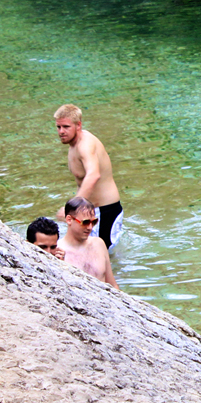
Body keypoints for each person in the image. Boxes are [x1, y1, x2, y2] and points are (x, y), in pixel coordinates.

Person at [54, 104, 124, 251]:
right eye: (58, 127)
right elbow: (82, 183)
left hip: (105, 211)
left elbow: (93, 175)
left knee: (104, 256)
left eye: (66, 127)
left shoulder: (85, 144)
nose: (61, 132)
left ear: (78, 125)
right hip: (89, 212)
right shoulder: (73, 145)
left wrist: (72, 209)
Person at [58, 197, 119, 289]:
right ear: (69, 220)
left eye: (93, 222)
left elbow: (112, 285)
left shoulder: (99, 244)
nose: (90, 227)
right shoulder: (58, 251)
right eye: (85, 222)